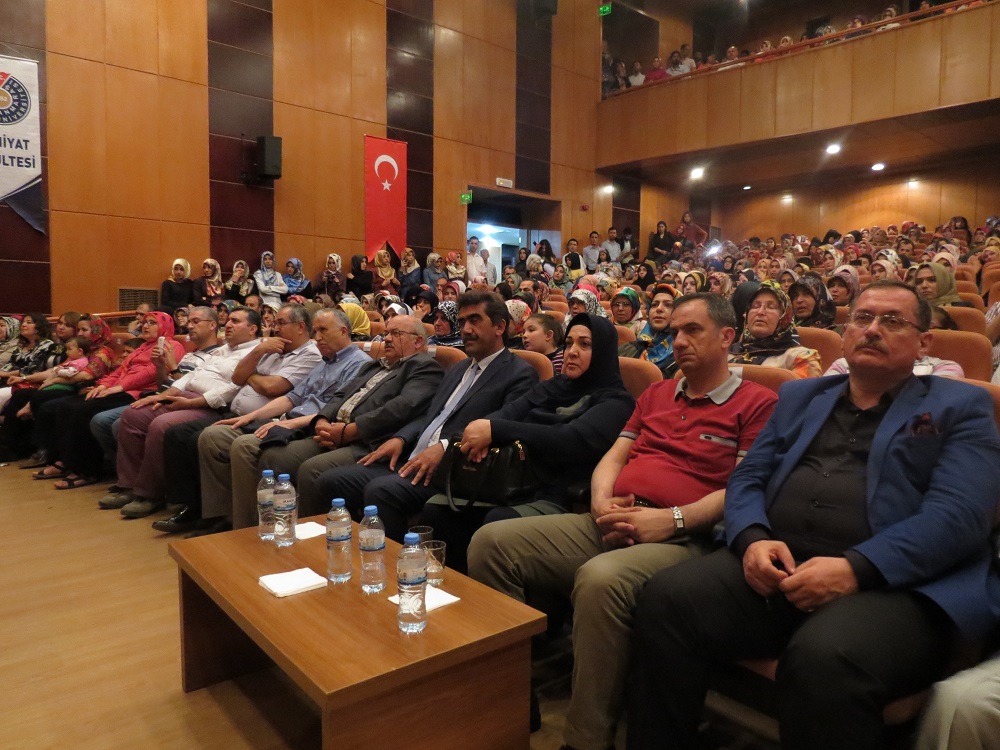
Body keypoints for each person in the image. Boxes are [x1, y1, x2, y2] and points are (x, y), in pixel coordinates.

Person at [626, 280, 1000, 750]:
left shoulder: (961, 406)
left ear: (924, 342)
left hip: (894, 587)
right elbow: (748, 478)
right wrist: (753, 539)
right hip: (778, 565)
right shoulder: (802, 396)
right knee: (666, 598)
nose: (872, 329)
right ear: (845, 334)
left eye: (892, 320)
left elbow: (959, 515)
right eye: (862, 318)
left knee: (825, 656)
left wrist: (856, 568)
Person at [469, 293, 778, 750]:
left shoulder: (758, 403)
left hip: (685, 538)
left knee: (601, 579)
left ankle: (587, 739)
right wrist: (600, 502)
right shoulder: (655, 393)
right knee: (490, 543)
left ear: (727, 337)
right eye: (675, 331)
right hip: (615, 516)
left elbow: (741, 488)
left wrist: (671, 520)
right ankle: (512, 700)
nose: (679, 341)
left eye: (693, 330)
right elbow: (614, 457)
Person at [307, 289, 538, 542]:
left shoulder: (519, 374)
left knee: (381, 491)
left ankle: (395, 562)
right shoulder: (458, 368)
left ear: (500, 327)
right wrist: (401, 438)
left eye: (475, 321)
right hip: (412, 456)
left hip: (454, 471)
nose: (466, 329)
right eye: (462, 322)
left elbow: (499, 426)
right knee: (330, 481)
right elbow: (431, 415)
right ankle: (338, 552)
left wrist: (446, 447)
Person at [194, 313, 445, 533]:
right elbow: (339, 396)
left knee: (310, 469)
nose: (387, 339)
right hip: (333, 429)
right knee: (272, 455)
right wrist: (323, 419)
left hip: (367, 439)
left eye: (395, 334)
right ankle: (269, 528)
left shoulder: (423, 367)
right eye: (386, 333)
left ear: (418, 341)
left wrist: (349, 431)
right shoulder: (374, 366)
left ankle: (310, 541)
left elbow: (400, 408)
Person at [423, 313, 635, 573]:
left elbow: (570, 439)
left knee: (496, 521)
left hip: (557, 494)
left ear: (603, 352)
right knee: (437, 509)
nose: (572, 352)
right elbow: (511, 411)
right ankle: (454, 590)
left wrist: (496, 430)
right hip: (512, 480)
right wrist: (484, 431)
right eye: (569, 343)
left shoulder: (617, 402)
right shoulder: (556, 386)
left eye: (585, 345)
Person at [185, 308, 375, 532]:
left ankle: (248, 527)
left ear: (343, 331)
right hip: (287, 420)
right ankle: (222, 517)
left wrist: (284, 423)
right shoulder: (325, 362)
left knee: (245, 446)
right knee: (213, 436)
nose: (317, 337)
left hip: (309, 427)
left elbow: (335, 411)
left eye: (323, 330)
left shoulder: (359, 364)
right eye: (315, 331)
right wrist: (249, 417)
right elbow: (291, 398)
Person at [104, 305, 265, 518]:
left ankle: (150, 494)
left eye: (235, 321)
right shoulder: (223, 349)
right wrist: (163, 395)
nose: (228, 325)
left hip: (209, 405)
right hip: (185, 394)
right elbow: (191, 376)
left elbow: (234, 388)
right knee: (133, 415)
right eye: (229, 320)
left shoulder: (257, 353)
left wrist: (190, 403)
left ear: (252, 329)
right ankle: (129, 486)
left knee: (161, 425)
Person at [31, 312, 186, 489]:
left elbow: (150, 372)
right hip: (120, 388)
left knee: (83, 411)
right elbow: (120, 370)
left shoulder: (172, 345)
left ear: (165, 326)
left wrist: (119, 387)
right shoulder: (143, 346)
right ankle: (65, 461)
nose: (146, 326)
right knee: (66, 406)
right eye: (145, 322)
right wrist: (104, 385)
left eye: (152, 323)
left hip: (138, 392)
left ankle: (86, 471)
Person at [729, 283, 822, 378]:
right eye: (755, 306)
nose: (760, 312)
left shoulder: (800, 358)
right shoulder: (729, 352)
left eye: (771, 307)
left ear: (785, 316)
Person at [618, 284, 678, 377]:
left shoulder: (683, 356)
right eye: (654, 305)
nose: (659, 309)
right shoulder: (629, 349)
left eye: (668, 305)